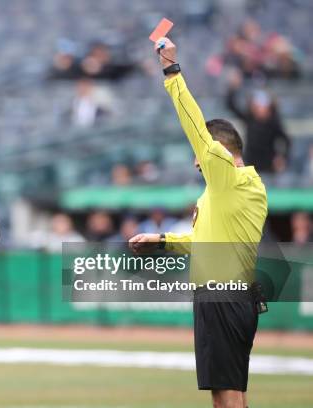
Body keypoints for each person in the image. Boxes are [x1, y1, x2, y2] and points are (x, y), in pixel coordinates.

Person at [129, 37, 268, 408]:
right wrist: (161, 240)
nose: (196, 162)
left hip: (223, 295)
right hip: (223, 295)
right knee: (225, 395)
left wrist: (171, 70)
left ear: (220, 152)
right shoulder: (226, 192)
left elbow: (197, 131)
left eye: (201, 155)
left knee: (229, 396)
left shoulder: (230, 179)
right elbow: (204, 239)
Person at [226, 70, 290, 174]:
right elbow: (231, 105)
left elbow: (286, 141)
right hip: (250, 164)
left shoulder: (274, 122)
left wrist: (282, 157)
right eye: (257, 105)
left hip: (269, 167)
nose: (259, 109)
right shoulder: (249, 118)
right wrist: (233, 88)